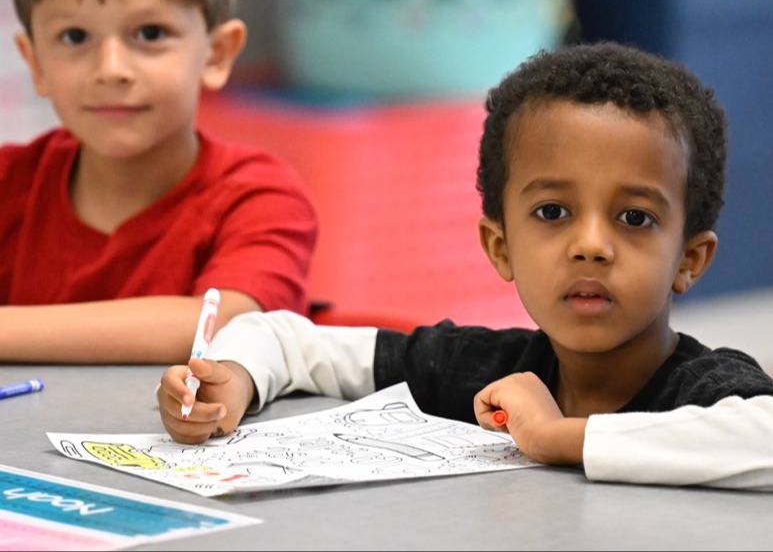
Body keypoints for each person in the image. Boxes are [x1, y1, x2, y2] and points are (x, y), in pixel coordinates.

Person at [157, 41, 773, 490]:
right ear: (500, 247)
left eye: (634, 219)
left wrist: (558, 437)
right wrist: (233, 379)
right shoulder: (482, 370)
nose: (591, 246)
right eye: (553, 211)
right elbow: (283, 338)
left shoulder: (705, 389)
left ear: (688, 260)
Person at [0, 0, 318, 363]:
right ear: (35, 63)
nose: (111, 68)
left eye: (149, 34)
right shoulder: (10, 185)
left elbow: (226, 327)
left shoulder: (258, 197)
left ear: (215, 55)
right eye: (74, 36)